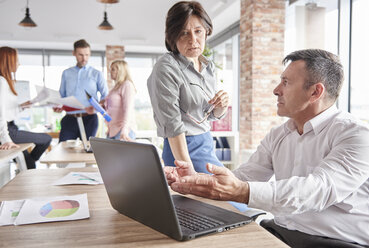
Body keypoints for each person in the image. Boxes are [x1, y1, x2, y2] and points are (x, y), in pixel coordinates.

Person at [164, 49, 369, 247]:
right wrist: (195, 180)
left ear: (315, 92)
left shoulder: (356, 135)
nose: (276, 90)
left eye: (286, 83)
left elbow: (317, 189)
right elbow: (244, 177)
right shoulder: (279, 134)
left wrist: (241, 191)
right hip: (280, 231)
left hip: (338, 241)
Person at [147, 1, 229, 173]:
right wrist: (187, 169)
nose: (193, 40)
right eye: (184, 33)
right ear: (173, 36)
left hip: (206, 143)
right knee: (232, 198)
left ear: (206, 31)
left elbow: (210, 116)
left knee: (231, 193)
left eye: (198, 31)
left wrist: (220, 106)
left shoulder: (208, 67)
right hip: (183, 148)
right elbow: (172, 125)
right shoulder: (167, 67)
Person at [0, 46, 52, 169]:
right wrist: (5, 139)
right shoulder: (1, 82)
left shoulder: (6, 81)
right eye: (16, 60)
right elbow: (0, 115)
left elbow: (7, 110)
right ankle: (30, 162)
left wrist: (28, 104)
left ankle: (29, 163)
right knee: (46, 139)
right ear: (8, 61)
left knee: (28, 162)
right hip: (8, 130)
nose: (19, 64)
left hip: (10, 127)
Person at [55, 39, 109, 142]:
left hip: (89, 119)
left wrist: (96, 108)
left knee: (87, 151)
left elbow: (105, 97)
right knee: (63, 150)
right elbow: (61, 95)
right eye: (80, 55)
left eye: (87, 55)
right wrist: (57, 105)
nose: (84, 58)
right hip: (69, 119)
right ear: (74, 53)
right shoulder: (66, 73)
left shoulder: (96, 74)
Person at [105, 60, 136, 141]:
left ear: (120, 71)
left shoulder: (127, 85)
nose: (110, 72)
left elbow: (128, 110)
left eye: (113, 69)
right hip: (113, 131)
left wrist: (125, 130)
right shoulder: (115, 88)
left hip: (123, 131)